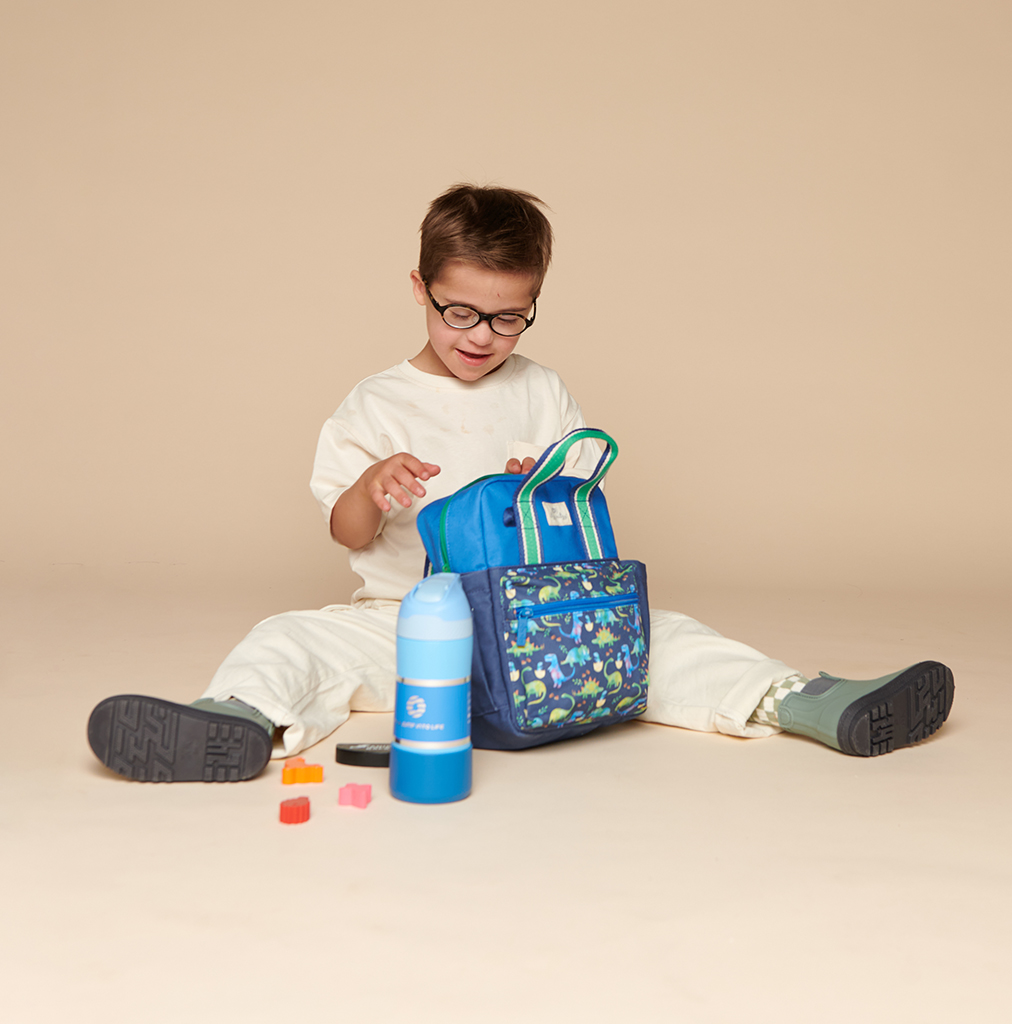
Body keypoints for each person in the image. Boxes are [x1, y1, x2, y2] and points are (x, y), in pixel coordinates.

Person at [86, 184, 954, 782]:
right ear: (420, 290)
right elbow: (348, 535)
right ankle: (237, 720)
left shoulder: (541, 389)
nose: (481, 334)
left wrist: (541, 487)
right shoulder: (377, 401)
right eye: (459, 311)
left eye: (508, 316)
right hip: (411, 628)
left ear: (532, 301)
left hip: (548, 626)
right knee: (292, 636)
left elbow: (584, 496)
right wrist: (372, 486)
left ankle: (810, 701)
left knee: (667, 636)